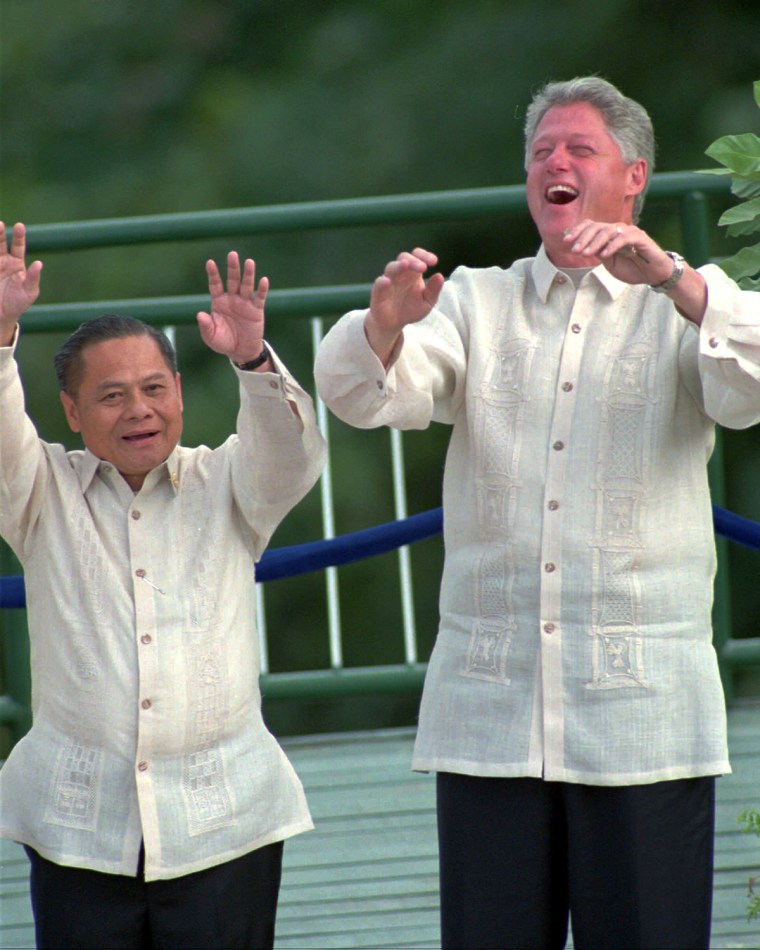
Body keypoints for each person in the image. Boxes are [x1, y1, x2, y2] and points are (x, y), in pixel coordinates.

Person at [314, 77, 760, 949]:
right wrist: (383, 327)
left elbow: (750, 392)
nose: (554, 163)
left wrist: (669, 274)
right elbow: (367, 397)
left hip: (643, 718)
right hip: (492, 717)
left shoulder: (687, 300)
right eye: (540, 153)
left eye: (579, 149)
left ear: (633, 178)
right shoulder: (476, 300)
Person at [0, 221, 326, 949]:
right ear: (74, 413)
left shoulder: (227, 480)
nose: (139, 409)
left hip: (225, 820)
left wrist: (251, 359)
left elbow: (293, 456)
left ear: (179, 392)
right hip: (79, 825)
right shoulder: (40, 491)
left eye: (154, 388)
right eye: (111, 396)